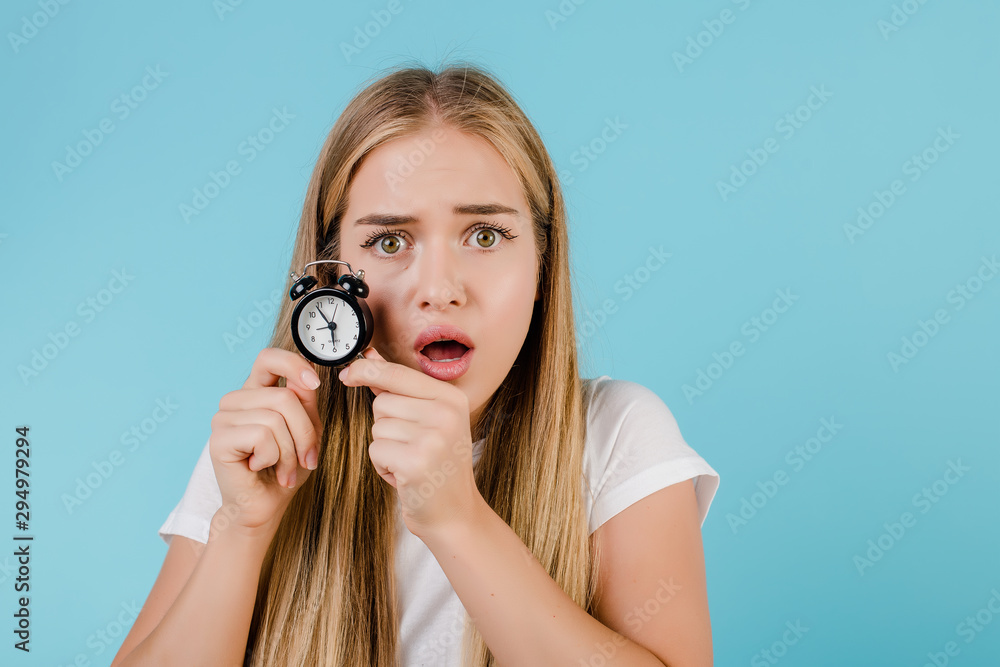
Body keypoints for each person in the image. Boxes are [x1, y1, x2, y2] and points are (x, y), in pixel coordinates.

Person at [112, 61, 721, 667]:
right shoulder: (270, 444)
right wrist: (241, 531)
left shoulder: (616, 434)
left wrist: (458, 520)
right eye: (389, 242)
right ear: (331, 279)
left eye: (484, 235)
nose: (439, 289)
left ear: (541, 265)